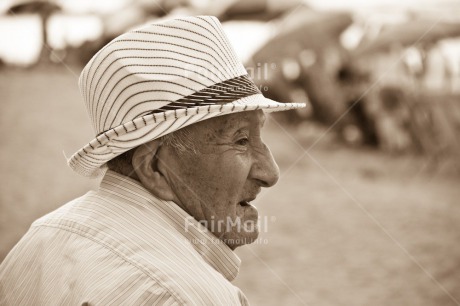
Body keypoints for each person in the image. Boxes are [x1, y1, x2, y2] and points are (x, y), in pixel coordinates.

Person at [0, 16, 305, 305]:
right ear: (154, 168)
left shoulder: (40, 239)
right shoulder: (186, 297)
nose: (271, 172)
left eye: (258, 135)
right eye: (241, 140)